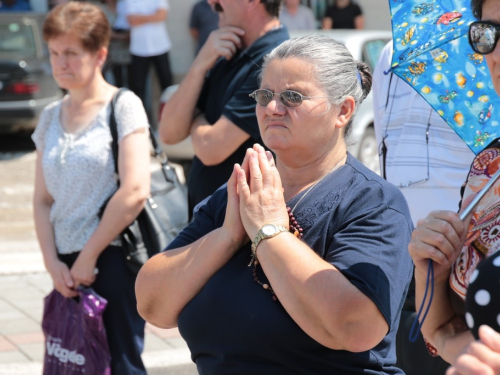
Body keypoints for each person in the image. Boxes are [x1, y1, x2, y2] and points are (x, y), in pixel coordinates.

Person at [136, 35, 414, 374]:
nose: (272, 108)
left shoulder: (374, 203)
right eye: (265, 95)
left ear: (342, 111)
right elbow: (152, 304)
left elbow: (356, 326)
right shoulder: (239, 193)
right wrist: (227, 236)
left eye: (292, 97)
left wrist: (269, 232)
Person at [32, 3, 151, 374]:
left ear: (99, 54)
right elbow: (41, 199)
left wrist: (89, 257)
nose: (60, 62)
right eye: (54, 52)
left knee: (121, 365)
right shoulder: (50, 115)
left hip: (112, 260)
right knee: (72, 363)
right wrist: (53, 263)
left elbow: (134, 190)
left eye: (71, 53)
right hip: (65, 266)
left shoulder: (123, 105)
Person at [372, 41, 475, 375]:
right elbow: (385, 143)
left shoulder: (479, 42)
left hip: (465, 268)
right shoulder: (393, 50)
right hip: (413, 263)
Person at [410, 0, 500, 373]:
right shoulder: (488, 166)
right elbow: (443, 332)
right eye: (490, 33)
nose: (497, 51)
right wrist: (430, 266)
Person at [158, 0, 289, 217]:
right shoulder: (227, 49)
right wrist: (200, 63)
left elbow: (212, 148)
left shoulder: (273, 61)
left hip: (240, 227)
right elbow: (168, 132)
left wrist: (196, 118)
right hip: (209, 221)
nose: (211, 3)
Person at [124, 0, 173, 113]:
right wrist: (153, 16)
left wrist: (141, 18)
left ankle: (168, 117)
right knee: (138, 87)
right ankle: (141, 120)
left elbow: (162, 16)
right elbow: (132, 20)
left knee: (166, 84)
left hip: (160, 46)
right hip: (139, 48)